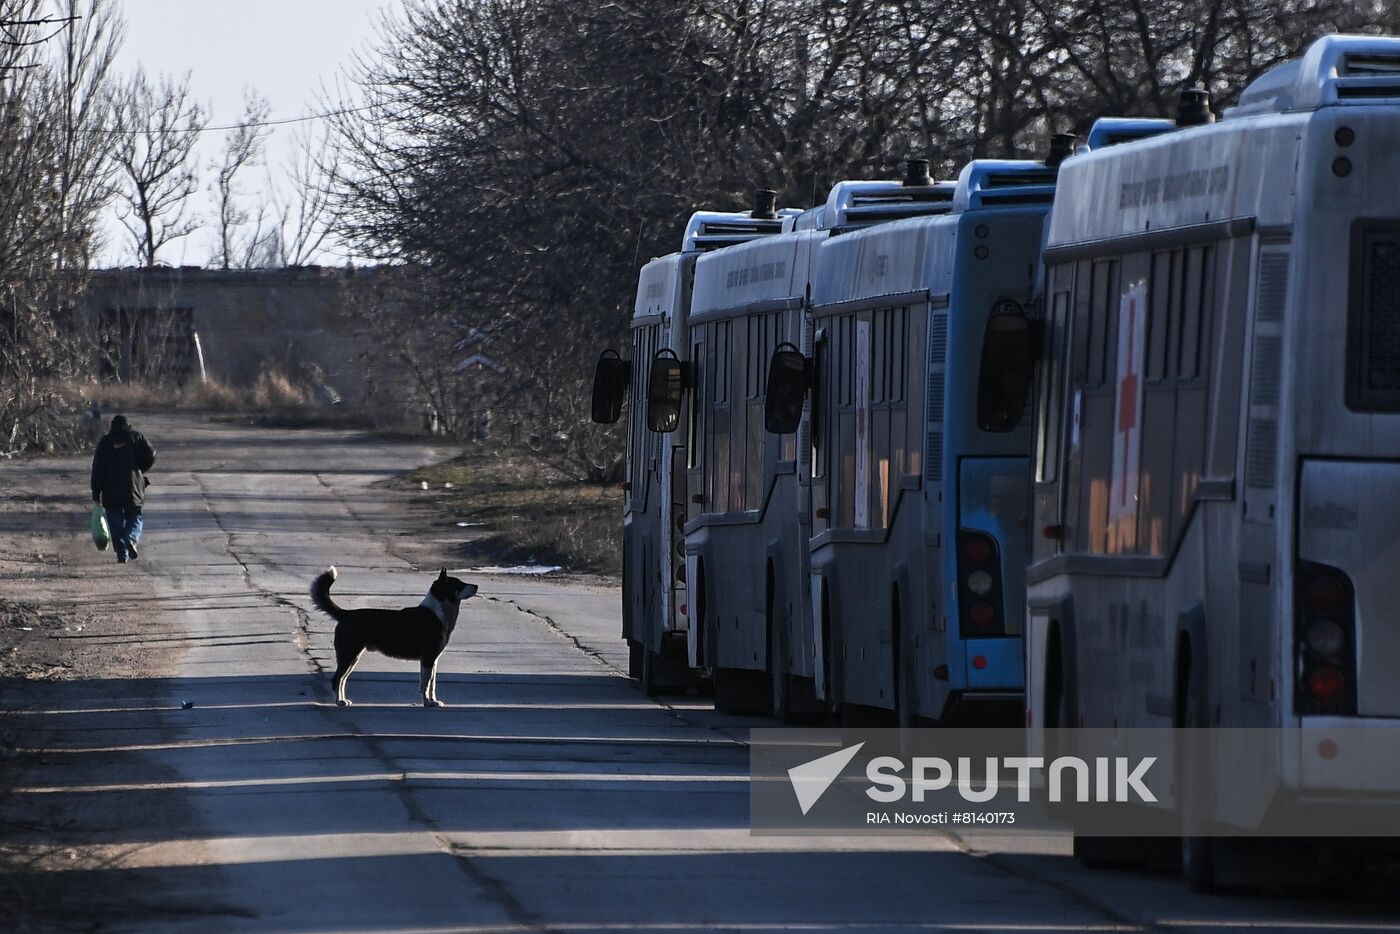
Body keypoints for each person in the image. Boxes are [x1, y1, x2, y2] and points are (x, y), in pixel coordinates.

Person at [90, 415, 156, 564]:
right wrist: (139, 468)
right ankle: (131, 539)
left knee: (115, 520)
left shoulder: (106, 442)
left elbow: (98, 468)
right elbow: (151, 454)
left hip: (110, 489)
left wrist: (96, 490)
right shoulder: (137, 438)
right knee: (135, 517)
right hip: (133, 488)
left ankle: (122, 553)